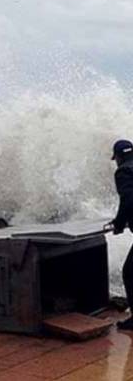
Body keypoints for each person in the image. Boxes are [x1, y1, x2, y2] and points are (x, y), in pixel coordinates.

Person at [107, 139, 133, 331]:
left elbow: (129, 199)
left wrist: (118, 223)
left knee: (130, 272)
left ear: (119, 157)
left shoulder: (124, 171)